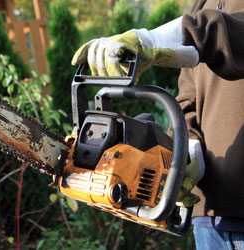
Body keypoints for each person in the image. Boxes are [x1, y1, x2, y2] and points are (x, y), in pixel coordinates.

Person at [71, 0, 244, 249]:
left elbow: (226, 32)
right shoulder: (203, 2)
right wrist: (189, 147)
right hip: (209, 219)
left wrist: (153, 40)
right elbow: (188, 95)